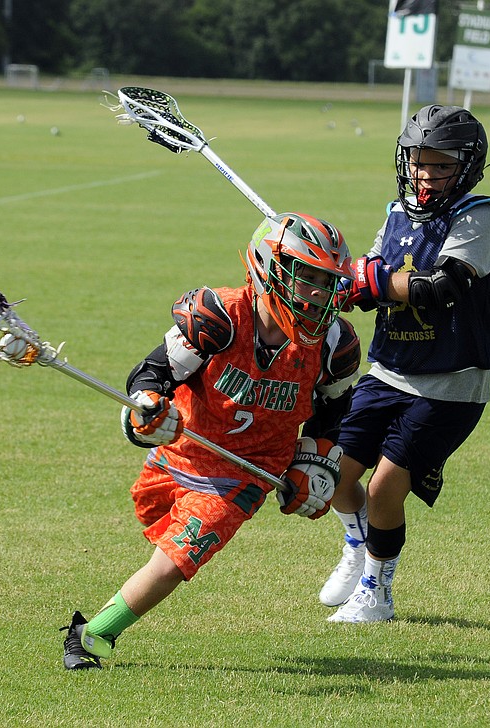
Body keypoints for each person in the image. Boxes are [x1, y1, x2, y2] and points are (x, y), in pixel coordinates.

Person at [61, 213, 362, 668]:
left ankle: (91, 636)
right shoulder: (219, 318)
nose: (320, 295)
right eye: (308, 280)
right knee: (162, 542)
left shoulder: (334, 344)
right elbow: (153, 373)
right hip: (181, 451)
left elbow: (334, 413)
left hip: (246, 472)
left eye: (328, 282)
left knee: (176, 560)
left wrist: (317, 459)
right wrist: (147, 407)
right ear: (270, 271)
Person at [318, 105, 490, 623]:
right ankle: (358, 547)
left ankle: (377, 590)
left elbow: (442, 286)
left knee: (382, 487)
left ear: (466, 166)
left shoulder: (476, 215)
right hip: (388, 370)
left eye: (441, 165)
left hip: (450, 383)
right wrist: (350, 283)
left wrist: (373, 282)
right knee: (332, 473)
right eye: (419, 162)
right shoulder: (397, 212)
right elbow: (373, 277)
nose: (427, 173)